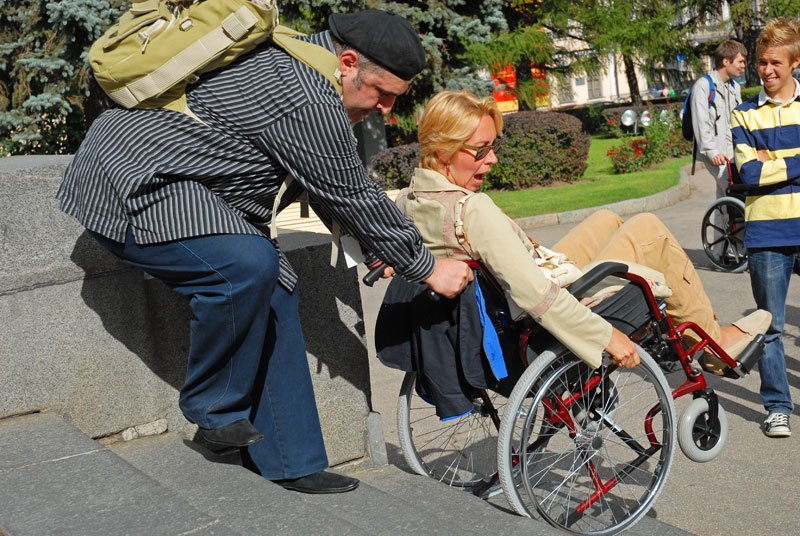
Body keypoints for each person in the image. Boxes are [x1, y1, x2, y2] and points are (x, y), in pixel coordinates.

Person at [57, 10, 472, 494]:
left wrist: (377, 245)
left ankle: (291, 461)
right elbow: (350, 191)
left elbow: (323, 181)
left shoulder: (300, 57)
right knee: (245, 267)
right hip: (130, 182)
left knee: (273, 282)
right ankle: (213, 411)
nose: (385, 110)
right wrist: (425, 267)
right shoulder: (304, 92)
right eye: (382, 94)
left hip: (185, 186)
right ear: (349, 60)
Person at [396, 89, 770, 374]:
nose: (492, 159)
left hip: (517, 283)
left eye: (493, 147)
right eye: (480, 151)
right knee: (649, 229)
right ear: (444, 152)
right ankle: (714, 345)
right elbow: (537, 298)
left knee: (608, 218)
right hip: (540, 306)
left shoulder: (415, 198)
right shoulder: (472, 210)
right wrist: (607, 338)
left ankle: (690, 328)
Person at [731, 18, 800, 438]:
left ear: (795, 62)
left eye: (776, 62)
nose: (767, 71)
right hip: (767, 233)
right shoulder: (744, 113)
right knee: (771, 326)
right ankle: (777, 405)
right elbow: (750, 174)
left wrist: (773, 161)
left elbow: (763, 167)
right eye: (761, 63)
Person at [690, 39, 747, 197]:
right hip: (717, 153)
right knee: (732, 191)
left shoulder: (735, 87)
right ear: (726, 61)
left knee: (725, 196)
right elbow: (701, 123)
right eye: (740, 61)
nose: (743, 65)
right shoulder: (704, 86)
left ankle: (722, 222)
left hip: (733, 151)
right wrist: (711, 152)